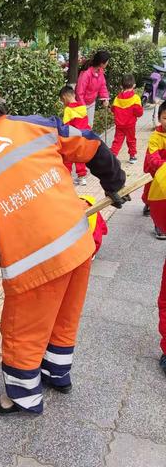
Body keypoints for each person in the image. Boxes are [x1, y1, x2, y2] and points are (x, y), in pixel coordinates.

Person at [0, 72, 127, 415]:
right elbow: (91, 144)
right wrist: (114, 183)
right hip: (78, 243)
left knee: (22, 329)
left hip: (36, 265)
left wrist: (6, 250)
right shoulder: (38, 125)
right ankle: (57, 374)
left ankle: (20, 397)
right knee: (65, 316)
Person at [142, 100, 166, 374]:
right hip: (158, 183)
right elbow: (152, 162)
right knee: (150, 196)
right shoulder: (156, 137)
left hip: (163, 187)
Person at [143, 101, 166, 240]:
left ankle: (161, 220)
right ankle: (157, 221)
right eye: (165, 118)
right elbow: (153, 158)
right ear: (159, 118)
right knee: (150, 191)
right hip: (156, 170)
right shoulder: (155, 137)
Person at [59, 85, 90, 186]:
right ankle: (82, 178)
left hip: (72, 138)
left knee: (68, 158)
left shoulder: (68, 110)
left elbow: (66, 126)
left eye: (62, 101)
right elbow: (86, 123)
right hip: (82, 137)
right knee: (79, 158)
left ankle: (67, 178)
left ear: (64, 98)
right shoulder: (82, 107)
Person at [110, 74, 143, 164]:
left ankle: (112, 156)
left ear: (121, 86)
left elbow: (113, 109)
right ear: (134, 85)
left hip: (119, 125)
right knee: (131, 140)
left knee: (117, 141)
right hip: (130, 125)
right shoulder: (135, 98)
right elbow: (139, 113)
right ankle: (132, 156)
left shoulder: (117, 98)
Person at [76, 50, 110, 127]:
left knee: (90, 125)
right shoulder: (86, 74)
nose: (108, 63)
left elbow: (102, 86)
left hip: (91, 103)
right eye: (107, 61)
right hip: (82, 104)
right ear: (102, 63)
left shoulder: (100, 71)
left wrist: (105, 98)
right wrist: (82, 107)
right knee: (82, 127)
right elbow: (79, 92)